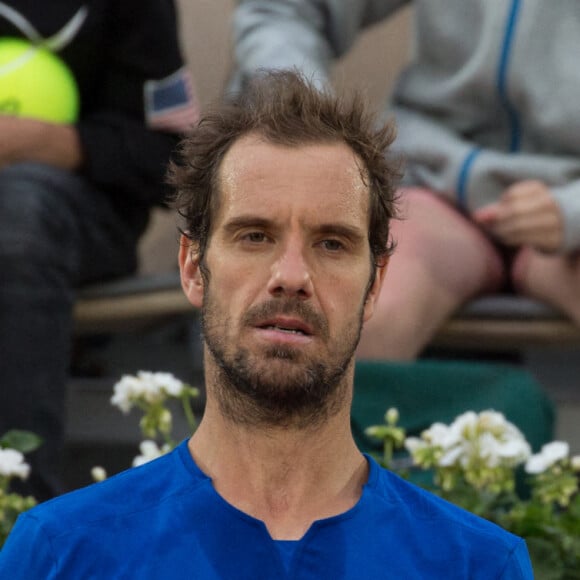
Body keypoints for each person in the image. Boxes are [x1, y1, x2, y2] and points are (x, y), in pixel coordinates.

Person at [0, 71, 533, 578]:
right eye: (254, 236)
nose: (292, 276)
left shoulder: (476, 566)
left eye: (331, 243)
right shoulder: (59, 554)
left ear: (374, 284)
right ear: (192, 267)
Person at [230, 0, 580, 360]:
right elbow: (285, 9)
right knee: (351, 317)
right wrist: (304, 118)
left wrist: (570, 210)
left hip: (570, 203)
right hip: (434, 183)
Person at [0, 0, 199, 501]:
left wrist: (44, 142)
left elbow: (169, 160)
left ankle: (16, 518)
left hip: (70, 215)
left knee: (17, 216)